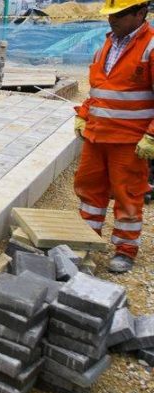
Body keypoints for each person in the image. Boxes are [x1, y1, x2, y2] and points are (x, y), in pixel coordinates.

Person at [74, 0, 154, 272]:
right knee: (89, 191)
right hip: (97, 137)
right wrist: (84, 114)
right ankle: (86, 242)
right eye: (110, 14)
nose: (112, 20)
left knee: (127, 194)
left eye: (119, 14)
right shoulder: (107, 45)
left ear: (140, 13)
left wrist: (151, 136)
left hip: (129, 141)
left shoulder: (150, 48)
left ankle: (125, 249)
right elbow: (99, 89)